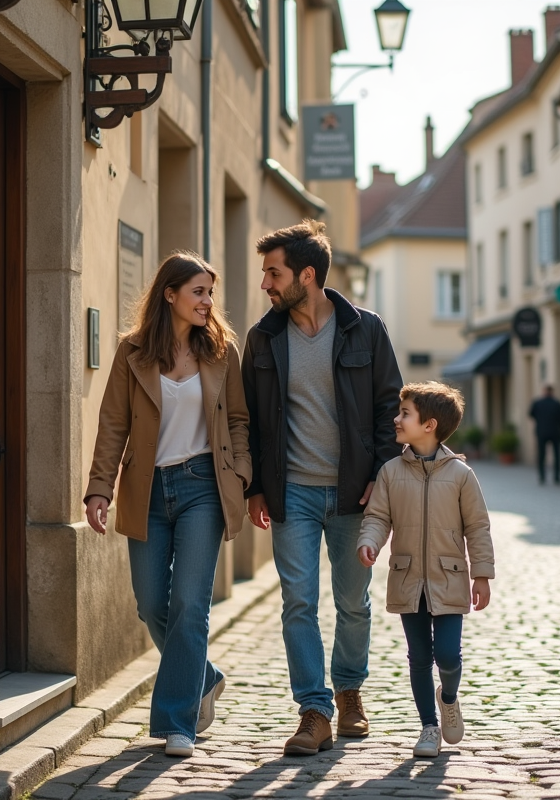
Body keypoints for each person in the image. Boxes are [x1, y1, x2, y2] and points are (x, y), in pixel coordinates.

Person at [242, 220, 403, 755]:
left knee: (353, 602)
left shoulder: (366, 329)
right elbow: (250, 420)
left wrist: (382, 474)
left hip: (355, 492)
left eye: (273, 272)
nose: (265, 283)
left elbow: (389, 408)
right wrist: (255, 488)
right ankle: (314, 710)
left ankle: (350, 692)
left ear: (305, 275)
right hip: (294, 493)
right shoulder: (263, 337)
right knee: (298, 602)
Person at [84, 252, 253, 758]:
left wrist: (240, 473)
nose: (207, 302)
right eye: (198, 292)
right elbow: (113, 424)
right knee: (152, 602)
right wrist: (99, 487)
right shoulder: (132, 352)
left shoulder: (222, 352)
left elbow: (240, 420)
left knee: (189, 604)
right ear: (170, 294)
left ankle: (178, 723)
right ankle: (203, 676)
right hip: (148, 490)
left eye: (210, 293)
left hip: (204, 484)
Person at [356, 381, 495, 758]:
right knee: (419, 657)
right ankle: (428, 727)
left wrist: (480, 574)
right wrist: (369, 541)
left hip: (449, 578)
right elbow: (378, 516)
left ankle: (448, 697)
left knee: (448, 655)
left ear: (429, 425)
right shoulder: (389, 472)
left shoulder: (461, 475)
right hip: (408, 578)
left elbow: (478, 527)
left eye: (405, 414)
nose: (396, 419)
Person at [528, 384, 560, 484]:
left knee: (542, 455)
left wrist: (540, 421)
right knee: (557, 455)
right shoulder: (557, 403)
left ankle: (542, 476)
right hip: (555, 432)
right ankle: (557, 476)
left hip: (542, 432)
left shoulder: (538, 403)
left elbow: (531, 414)